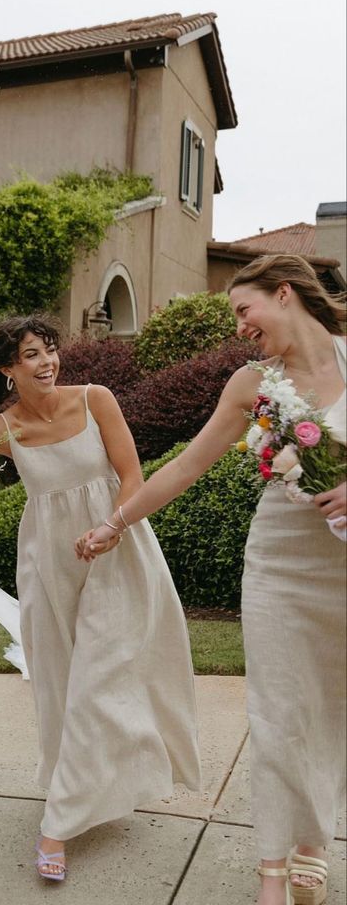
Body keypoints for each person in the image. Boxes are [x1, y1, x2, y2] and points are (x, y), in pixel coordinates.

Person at [78, 255, 346, 905]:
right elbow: (186, 465)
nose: (240, 327)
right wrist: (116, 522)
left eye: (243, 310)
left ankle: (316, 838)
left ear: (284, 294)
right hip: (281, 564)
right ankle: (272, 864)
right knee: (279, 711)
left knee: (333, 709)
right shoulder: (251, 384)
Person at [0, 314, 201, 881]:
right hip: (49, 559)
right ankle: (86, 782)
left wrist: (111, 528)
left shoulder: (96, 399)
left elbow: (131, 475)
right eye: (31, 355)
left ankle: (59, 823)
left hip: (115, 547)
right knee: (64, 680)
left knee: (102, 677)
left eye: (50, 350)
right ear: (8, 368)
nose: (47, 362)